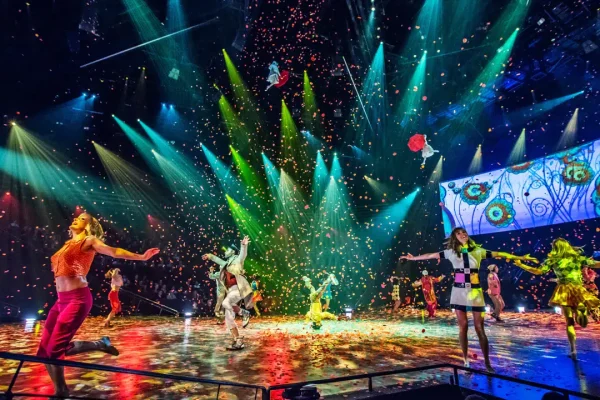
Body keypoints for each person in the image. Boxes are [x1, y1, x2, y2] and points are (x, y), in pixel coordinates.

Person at [38, 213, 159, 397]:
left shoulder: (89, 241)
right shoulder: (66, 245)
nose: (76, 219)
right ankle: (100, 344)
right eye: (77, 217)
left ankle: (61, 391)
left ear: (88, 226)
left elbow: (114, 251)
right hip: (61, 300)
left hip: (77, 299)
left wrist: (141, 257)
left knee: (54, 349)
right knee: (44, 351)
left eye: (82, 219)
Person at [400, 227, 536, 372]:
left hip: (475, 292)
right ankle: (465, 360)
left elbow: (500, 253)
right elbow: (430, 255)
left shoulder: (478, 251)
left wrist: (521, 258)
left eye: (463, 232)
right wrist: (413, 258)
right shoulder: (450, 252)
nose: (462, 234)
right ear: (455, 238)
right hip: (458, 292)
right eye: (458, 233)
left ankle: (487, 363)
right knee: (463, 326)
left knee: (479, 328)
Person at [513, 238, 600, 360]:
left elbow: (538, 271)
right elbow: (596, 264)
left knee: (569, 322)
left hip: (563, 291)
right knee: (581, 319)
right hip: (577, 288)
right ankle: (582, 310)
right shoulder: (577, 258)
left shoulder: (553, 260)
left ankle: (573, 350)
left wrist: (521, 265)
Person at [203, 236, 254, 350]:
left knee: (225, 303)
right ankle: (238, 341)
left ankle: (244, 313)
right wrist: (209, 256)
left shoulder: (237, 259)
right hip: (231, 291)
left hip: (238, 288)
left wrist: (244, 245)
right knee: (228, 318)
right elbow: (218, 260)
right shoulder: (226, 264)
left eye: (228, 250)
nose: (225, 251)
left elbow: (243, 255)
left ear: (233, 252)